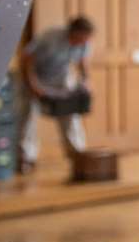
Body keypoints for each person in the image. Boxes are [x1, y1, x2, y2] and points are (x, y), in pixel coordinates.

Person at [20, 16, 94, 170]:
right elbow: (26, 57)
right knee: (28, 116)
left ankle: (77, 154)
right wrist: (33, 85)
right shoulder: (50, 36)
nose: (83, 42)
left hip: (60, 78)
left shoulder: (85, 42)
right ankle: (26, 158)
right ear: (72, 32)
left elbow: (82, 61)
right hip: (36, 75)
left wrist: (86, 81)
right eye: (80, 38)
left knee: (70, 115)